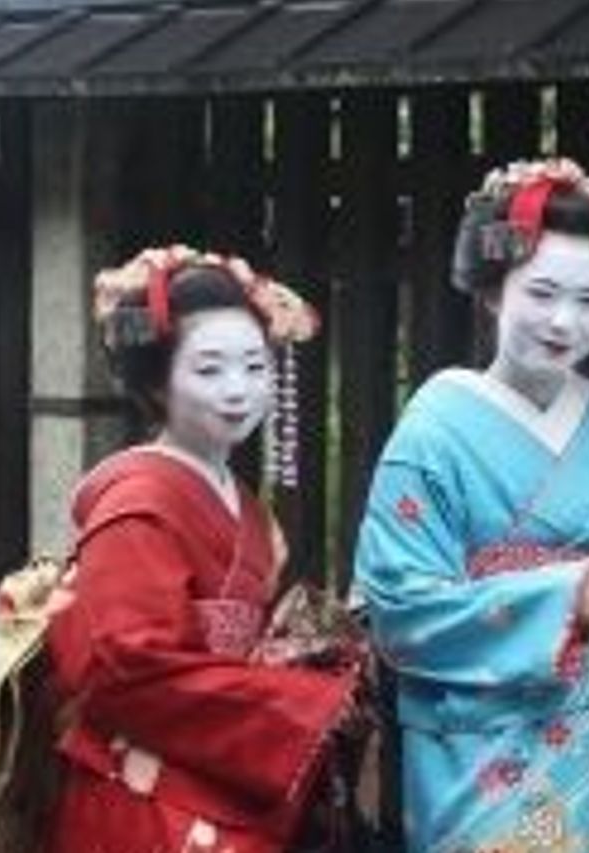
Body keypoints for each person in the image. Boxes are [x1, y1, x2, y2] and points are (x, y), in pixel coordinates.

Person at [352, 158, 589, 852]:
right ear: (492, 291)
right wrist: (568, 593)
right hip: (477, 749)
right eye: (542, 293)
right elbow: (397, 608)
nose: (564, 320)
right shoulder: (434, 429)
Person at [42, 245, 364, 852]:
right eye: (209, 369)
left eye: (255, 367)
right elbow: (130, 667)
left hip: (222, 768)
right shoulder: (137, 502)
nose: (238, 390)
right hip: (141, 791)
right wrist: (296, 704)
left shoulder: (243, 503)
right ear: (158, 382)